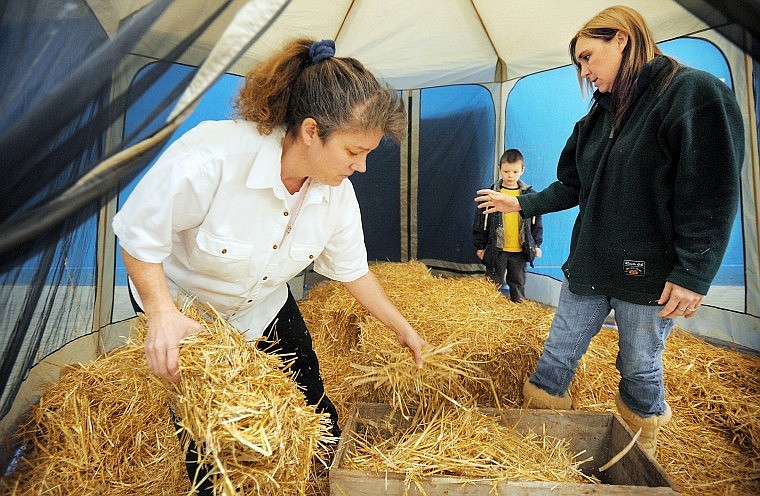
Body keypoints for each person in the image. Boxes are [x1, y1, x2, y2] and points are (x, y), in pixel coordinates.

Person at [113, 38, 427, 492]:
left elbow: (352, 269)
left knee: (311, 400)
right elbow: (139, 236)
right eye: (353, 151)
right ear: (310, 130)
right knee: (209, 432)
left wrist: (402, 328)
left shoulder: (334, 193)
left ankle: (324, 478)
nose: (361, 167)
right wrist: (161, 314)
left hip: (261, 303)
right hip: (187, 311)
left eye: (368, 154)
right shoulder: (213, 158)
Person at [475, 5, 743, 457]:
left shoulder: (691, 93)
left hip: (650, 276)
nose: (583, 70)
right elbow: (572, 186)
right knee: (557, 355)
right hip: (590, 264)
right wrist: (517, 203)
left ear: (621, 38)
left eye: (587, 56)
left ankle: (636, 456)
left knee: (639, 368)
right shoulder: (595, 121)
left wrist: (694, 273)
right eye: (578, 62)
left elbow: (711, 189)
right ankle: (535, 448)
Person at [472, 149, 543, 303]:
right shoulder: (491, 194)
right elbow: (480, 222)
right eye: (506, 171)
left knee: (517, 283)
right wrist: (480, 246)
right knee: (492, 283)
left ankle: (518, 308)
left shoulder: (529, 195)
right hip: (496, 249)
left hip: (520, 250)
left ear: (522, 170)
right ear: (499, 170)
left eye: (515, 171)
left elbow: (536, 222)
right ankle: (490, 309)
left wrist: (536, 244)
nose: (511, 175)